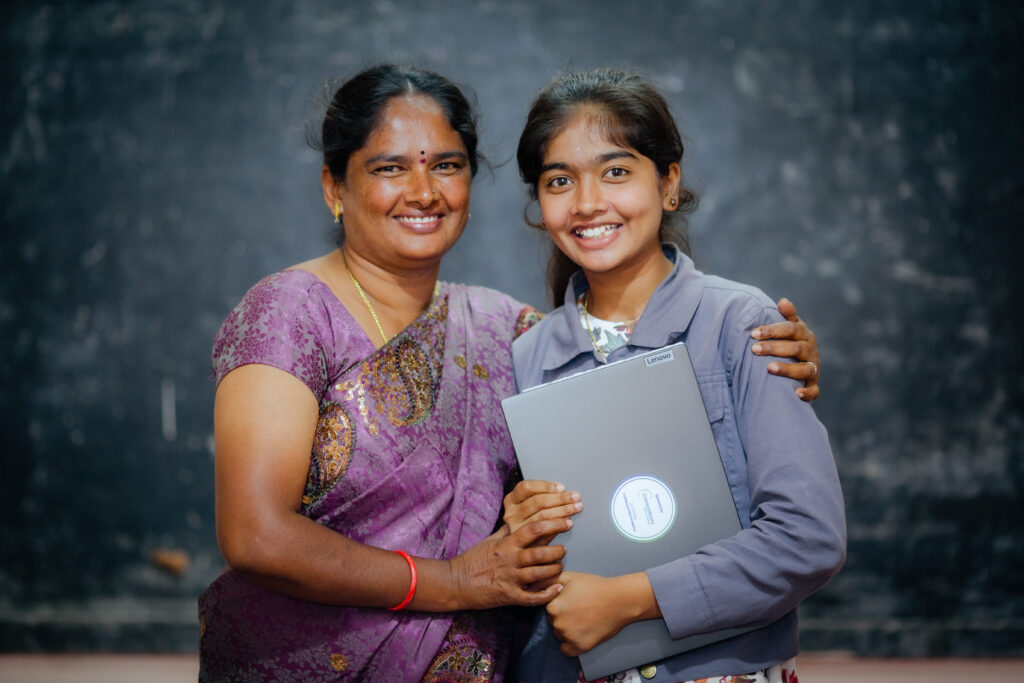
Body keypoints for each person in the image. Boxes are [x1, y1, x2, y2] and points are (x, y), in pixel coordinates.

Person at [198, 64, 825, 682]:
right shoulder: (290, 312)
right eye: (390, 168)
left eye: (446, 164)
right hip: (302, 661)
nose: (423, 191)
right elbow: (256, 536)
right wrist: (452, 581)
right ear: (334, 187)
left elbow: (622, 362)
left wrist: (766, 345)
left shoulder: (510, 333)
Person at [509, 69, 846, 683]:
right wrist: (520, 526)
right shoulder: (525, 356)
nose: (587, 203)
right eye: (560, 181)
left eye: (616, 171)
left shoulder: (740, 324)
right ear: (540, 204)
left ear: (668, 184)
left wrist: (628, 599)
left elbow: (808, 537)